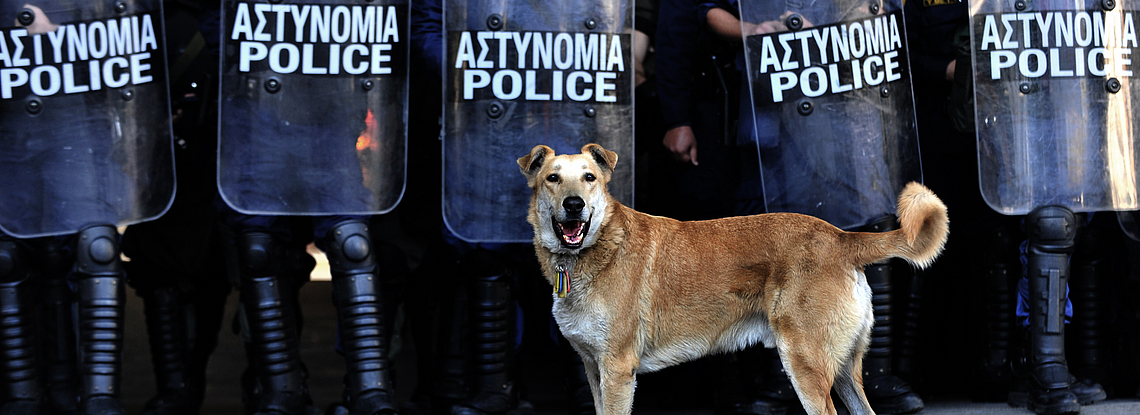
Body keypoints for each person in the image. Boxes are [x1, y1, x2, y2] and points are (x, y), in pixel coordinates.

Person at [0, 1, 177, 414]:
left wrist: (61, 38)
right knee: (8, 259)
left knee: (96, 249)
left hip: (79, 110)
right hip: (10, 118)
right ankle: (24, 396)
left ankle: (99, 399)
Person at [121, 1, 232, 414]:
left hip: (218, 154)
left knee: (213, 269)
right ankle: (175, 387)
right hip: (164, 153)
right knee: (158, 265)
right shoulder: (151, 15)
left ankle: (186, 383)